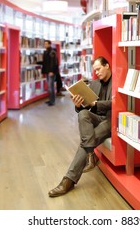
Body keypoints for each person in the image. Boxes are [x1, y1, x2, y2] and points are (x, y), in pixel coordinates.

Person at [48, 56, 112, 197]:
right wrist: (79, 105)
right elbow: (89, 108)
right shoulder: (95, 84)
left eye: (99, 69)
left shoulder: (117, 82)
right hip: (97, 118)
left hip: (110, 121)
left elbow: (114, 103)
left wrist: (96, 104)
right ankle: (91, 155)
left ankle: (67, 181)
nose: (97, 73)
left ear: (107, 65)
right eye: (95, 70)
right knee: (82, 113)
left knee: (86, 142)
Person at [42, 40, 59, 106]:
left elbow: (54, 62)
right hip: (47, 72)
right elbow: (46, 62)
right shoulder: (46, 52)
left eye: (46, 44)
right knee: (49, 87)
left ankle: (52, 101)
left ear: (49, 45)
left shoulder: (52, 52)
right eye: (45, 44)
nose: (45, 45)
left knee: (51, 87)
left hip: (51, 72)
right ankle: (50, 100)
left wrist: (52, 71)